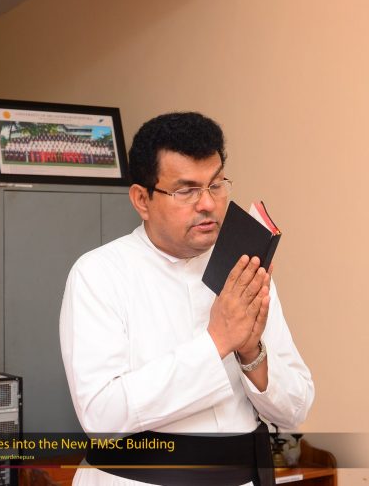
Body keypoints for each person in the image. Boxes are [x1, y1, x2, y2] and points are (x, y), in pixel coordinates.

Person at [60, 112, 314, 485]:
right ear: (142, 199)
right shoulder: (98, 274)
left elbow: (296, 410)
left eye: (216, 184)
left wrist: (250, 353)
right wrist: (217, 342)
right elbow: (101, 417)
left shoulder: (243, 269)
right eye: (186, 190)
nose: (208, 203)